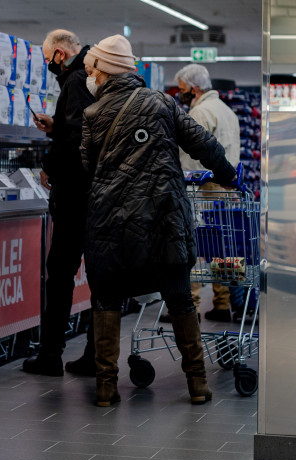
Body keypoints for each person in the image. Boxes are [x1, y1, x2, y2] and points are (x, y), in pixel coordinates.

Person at [80, 35, 236, 407]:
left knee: (107, 300)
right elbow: (203, 144)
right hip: (164, 218)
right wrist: (227, 174)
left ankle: (105, 388)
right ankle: (197, 384)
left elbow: (87, 165)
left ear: (105, 72)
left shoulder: (92, 114)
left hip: (110, 222)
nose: (92, 77)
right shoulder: (163, 104)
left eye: (93, 70)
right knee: (180, 299)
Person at [22, 29, 96, 377]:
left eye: (48, 56)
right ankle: (96, 353)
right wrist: (55, 127)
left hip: (75, 196)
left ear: (60, 53)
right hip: (93, 194)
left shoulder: (75, 79)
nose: (48, 64)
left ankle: (51, 353)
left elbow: (79, 138)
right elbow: (76, 128)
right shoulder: (89, 77)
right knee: (96, 275)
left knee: (60, 274)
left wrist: (49, 164)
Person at [172, 64, 241, 324]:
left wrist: (183, 184)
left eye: (182, 89)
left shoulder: (200, 111)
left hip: (202, 188)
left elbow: (192, 156)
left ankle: (192, 304)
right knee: (221, 248)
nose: (181, 94)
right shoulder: (227, 111)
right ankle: (222, 304)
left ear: (194, 88)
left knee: (195, 246)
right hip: (225, 188)